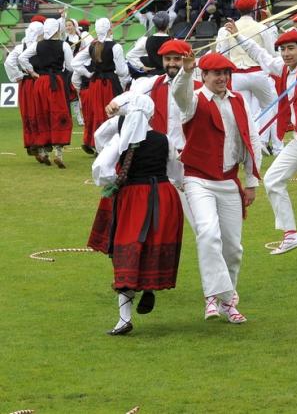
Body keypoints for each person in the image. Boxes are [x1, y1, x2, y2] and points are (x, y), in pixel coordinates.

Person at [224, 23, 297, 254]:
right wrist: (237, 35)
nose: (286, 53)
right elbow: (260, 54)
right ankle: (290, 234)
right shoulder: (284, 68)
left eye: (291, 48)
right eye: (283, 49)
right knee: (273, 179)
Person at [172, 51, 262, 323]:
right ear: (204, 76)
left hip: (229, 180)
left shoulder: (239, 101)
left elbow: (252, 140)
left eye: (226, 73)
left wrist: (251, 182)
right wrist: (186, 71)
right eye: (216, 73)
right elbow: (179, 94)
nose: (223, 78)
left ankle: (225, 303)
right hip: (198, 179)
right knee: (209, 233)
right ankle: (217, 295)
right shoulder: (194, 100)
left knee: (233, 248)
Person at [87, 94, 184, 335]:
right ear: (151, 114)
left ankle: (124, 319)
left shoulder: (121, 140)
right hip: (164, 197)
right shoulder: (163, 140)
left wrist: (116, 182)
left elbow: (100, 169)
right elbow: (176, 171)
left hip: (134, 198)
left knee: (126, 250)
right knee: (151, 245)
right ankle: (148, 289)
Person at [214, 0, 280, 154]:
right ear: (254, 8)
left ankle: (246, 144)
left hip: (236, 74)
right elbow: (270, 53)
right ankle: (274, 146)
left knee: (241, 111)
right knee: (273, 107)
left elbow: (221, 53)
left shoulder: (226, 29)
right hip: (257, 72)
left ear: (237, 9)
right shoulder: (262, 27)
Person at [18, 18, 73, 167]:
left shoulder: (37, 45)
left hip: (40, 82)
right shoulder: (64, 45)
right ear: (57, 29)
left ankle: (43, 152)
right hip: (56, 81)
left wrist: (32, 72)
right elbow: (70, 66)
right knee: (58, 113)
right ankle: (59, 153)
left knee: (41, 114)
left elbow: (22, 57)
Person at [73, 18, 128, 154]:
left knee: (96, 112)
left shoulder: (92, 46)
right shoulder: (115, 46)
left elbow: (75, 63)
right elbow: (122, 71)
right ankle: (110, 143)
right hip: (109, 83)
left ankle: (96, 142)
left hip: (95, 83)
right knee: (112, 112)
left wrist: (88, 74)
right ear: (109, 29)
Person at [5, 21, 43, 158]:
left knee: (28, 112)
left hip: (26, 83)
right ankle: (40, 143)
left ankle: (32, 142)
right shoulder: (40, 46)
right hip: (38, 81)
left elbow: (9, 62)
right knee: (40, 111)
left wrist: (19, 76)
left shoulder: (20, 47)